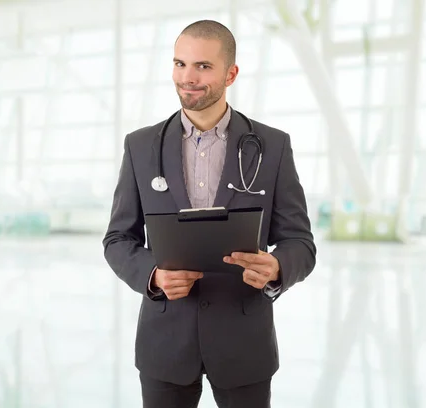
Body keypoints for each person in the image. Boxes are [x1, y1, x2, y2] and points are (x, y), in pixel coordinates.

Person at [103, 19, 316, 408]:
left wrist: (278, 267)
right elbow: (118, 240)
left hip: (243, 343)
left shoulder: (272, 146)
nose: (188, 77)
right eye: (180, 64)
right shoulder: (141, 146)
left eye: (203, 66)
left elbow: (300, 242)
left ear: (231, 74)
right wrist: (153, 275)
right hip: (165, 342)